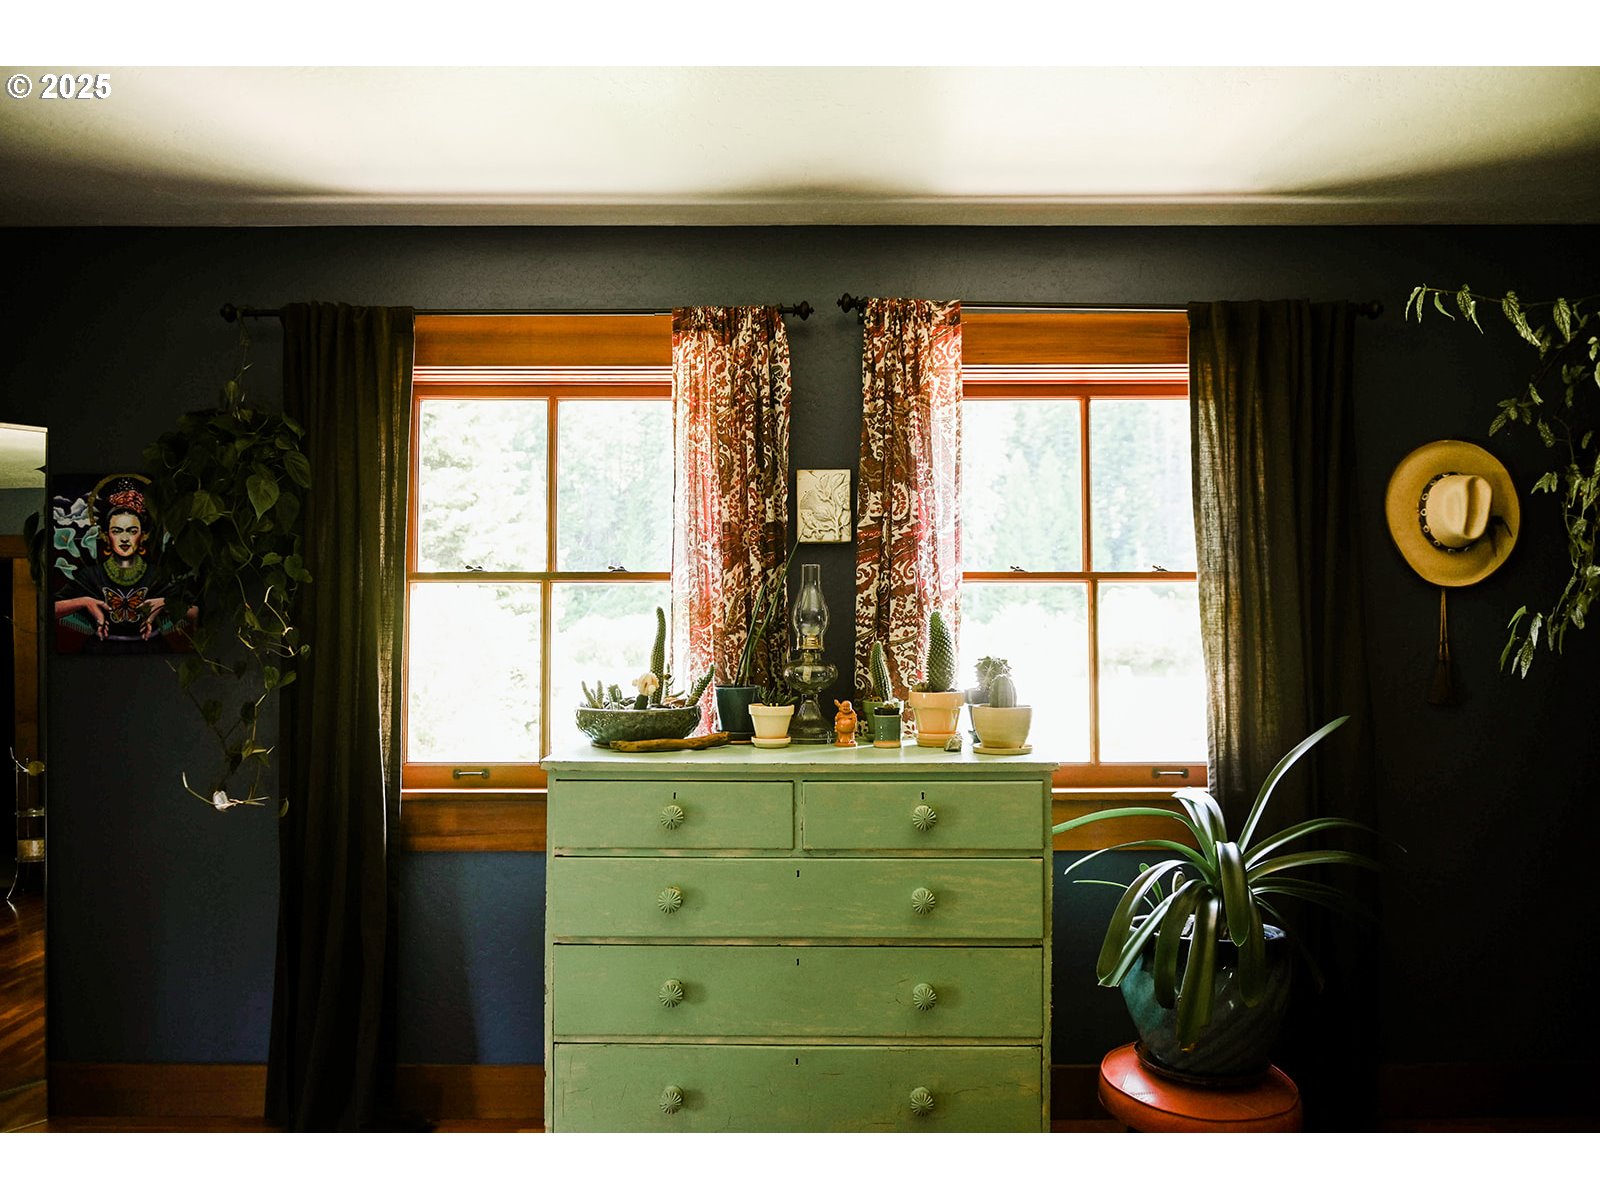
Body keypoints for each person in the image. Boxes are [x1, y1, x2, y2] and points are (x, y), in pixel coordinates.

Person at [54, 475, 193, 651]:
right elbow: (51, 608)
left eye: (132, 531)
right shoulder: (90, 576)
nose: (125, 538)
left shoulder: (159, 575)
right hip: (98, 653)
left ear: (142, 536)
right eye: (117, 531)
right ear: (106, 535)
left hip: (154, 652)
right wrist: (85, 602)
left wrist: (166, 602)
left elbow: (197, 610)